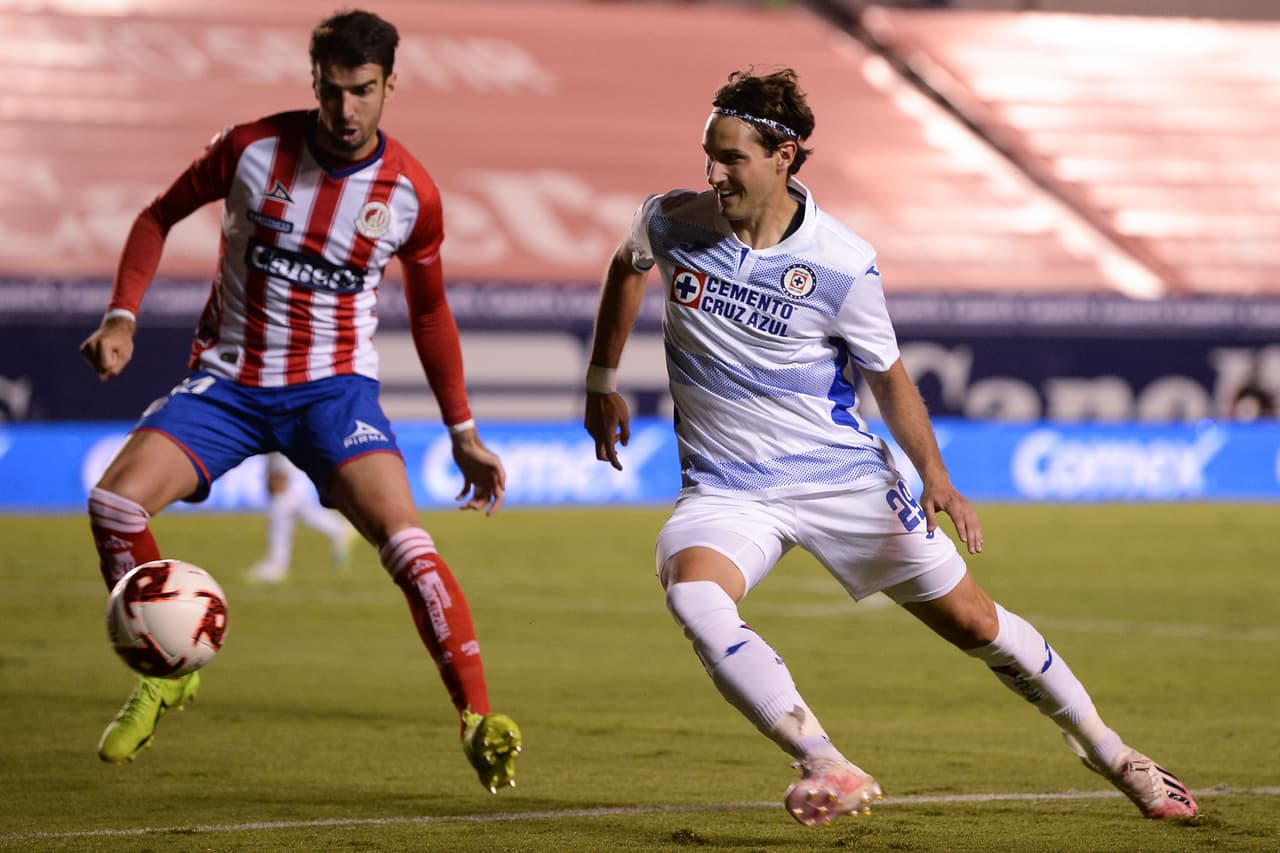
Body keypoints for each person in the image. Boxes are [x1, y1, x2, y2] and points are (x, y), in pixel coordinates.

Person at [583, 68, 1197, 826]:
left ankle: (1113, 751)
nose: (715, 173)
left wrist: (936, 474)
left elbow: (891, 378)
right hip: (728, 489)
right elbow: (627, 265)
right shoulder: (675, 220)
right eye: (710, 153)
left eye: (732, 158)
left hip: (842, 480)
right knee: (694, 592)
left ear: (785, 156)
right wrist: (600, 379)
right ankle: (823, 758)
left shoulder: (841, 261)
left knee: (975, 623)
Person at [79, 9, 520, 794]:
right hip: (231, 381)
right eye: (331, 90)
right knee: (115, 505)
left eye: (363, 91)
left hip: (333, 391)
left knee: (408, 544)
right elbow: (157, 217)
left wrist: (463, 430)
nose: (345, 110)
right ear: (311, 82)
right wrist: (122, 314)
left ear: (390, 86)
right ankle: (166, 671)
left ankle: (477, 714)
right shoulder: (250, 148)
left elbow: (428, 312)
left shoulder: (412, 192)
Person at [246, 452, 357, 584]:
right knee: (276, 490)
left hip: (279, 436)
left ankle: (277, 563)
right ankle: (336, 528)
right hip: (272, 437)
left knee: (278, 486)